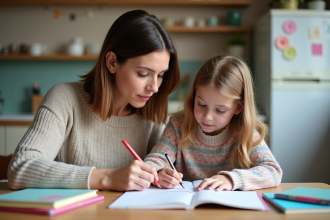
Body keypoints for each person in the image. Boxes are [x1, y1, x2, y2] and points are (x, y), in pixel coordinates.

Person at [7, 9, 180, 191]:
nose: (155, 87)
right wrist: (107, 177)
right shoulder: (64, 99)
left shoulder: (150, 114)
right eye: (143, 74)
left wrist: (160, 174)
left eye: (161, 75)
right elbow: (20, 168)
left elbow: (160, 165)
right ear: (112, 62)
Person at [144, 55, 282, 191]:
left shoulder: (245, 132)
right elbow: (154, 160)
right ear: (194, 96)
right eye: (201, 104)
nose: (207, 117)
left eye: (220, 110)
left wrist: (231, 179)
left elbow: (273, 171)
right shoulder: (177, 125)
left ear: (239, 107)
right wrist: (158, 171)